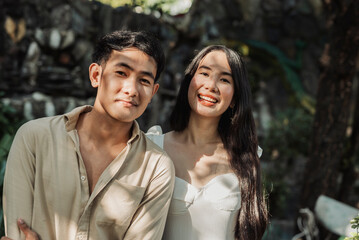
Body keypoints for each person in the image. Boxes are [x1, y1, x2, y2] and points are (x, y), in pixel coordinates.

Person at [2, 30, 175, 240]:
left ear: (153, 92)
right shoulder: (34, 139)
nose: (132, 89)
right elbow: (18, 233)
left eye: (144, 81)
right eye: (121, 73)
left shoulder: (156, 166)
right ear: (96, 75)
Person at [146, 45, 268, 240]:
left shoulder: (246, 157)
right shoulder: (152, 147)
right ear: (189, 82)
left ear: (235, 98)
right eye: (204, 73)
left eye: (225, 79)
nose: (211, 86)